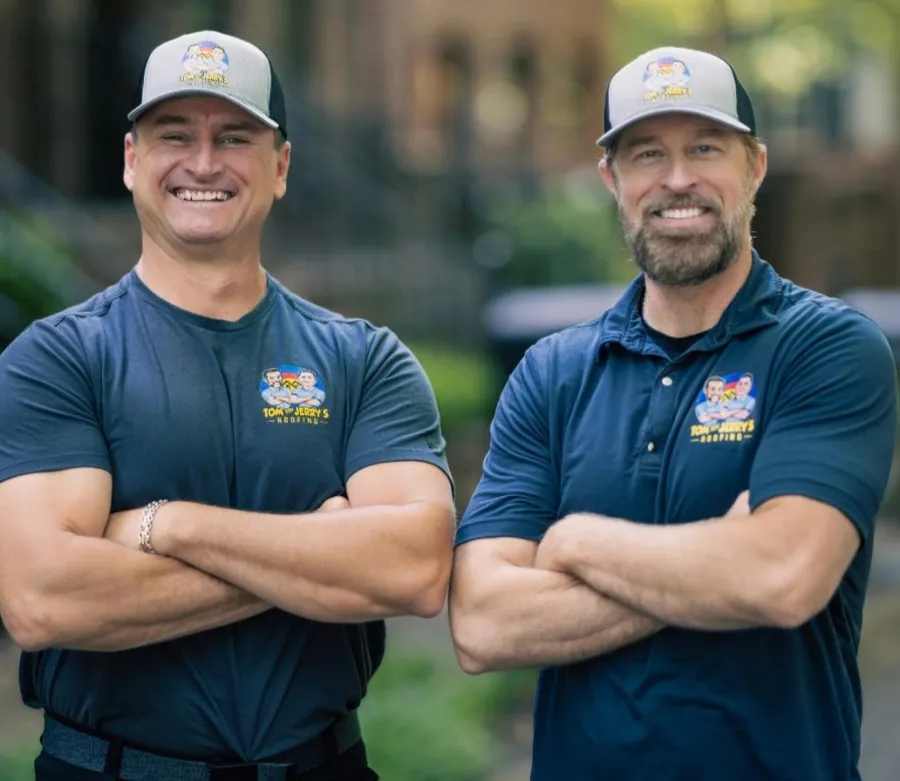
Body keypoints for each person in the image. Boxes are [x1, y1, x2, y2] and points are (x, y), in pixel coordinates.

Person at [0, 30, 455, 781]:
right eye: (174, 135)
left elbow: (414, 570)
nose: (204, 163)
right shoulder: (58, 359)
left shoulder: (363, 359)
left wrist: (165, 526)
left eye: (234, 136)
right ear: (131, 161)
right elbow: (44, 598)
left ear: (279, 167)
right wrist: (319, 555)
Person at [449, 45, 897, 781]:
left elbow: (781, 578)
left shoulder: (827, 348)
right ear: (612, 179)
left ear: (754, 166)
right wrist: (718, 559)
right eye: (648, 152)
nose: (678, 179)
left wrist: (578, 541)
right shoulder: (554, 373)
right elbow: (483, 621)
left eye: (706, 148)